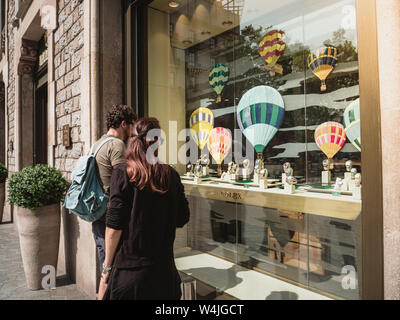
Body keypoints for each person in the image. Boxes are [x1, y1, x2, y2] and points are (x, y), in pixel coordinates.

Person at [99, 118, 190, 300]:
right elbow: (182, 218)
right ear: (158, 142)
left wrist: (106, 269)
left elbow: (113, 228)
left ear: (132, 141)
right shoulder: (170, 175)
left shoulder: (123, 173)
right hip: (163, 275)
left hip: (129, 276)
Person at [91, 104, 137, 281]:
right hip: (111, 209)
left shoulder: (98, 143)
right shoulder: (117, 145)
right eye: (132, 125)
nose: (133, 131)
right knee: (113, 264)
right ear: (124, 124)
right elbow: (122, 181)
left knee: (104, 257)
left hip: (97, 207)